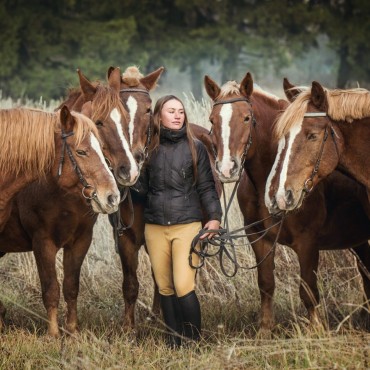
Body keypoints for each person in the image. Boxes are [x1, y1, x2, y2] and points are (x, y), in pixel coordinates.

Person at [135, 95, 222, 347]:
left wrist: (214, 219)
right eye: (171, 111)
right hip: (155, 227)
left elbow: (207, 187)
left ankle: (193, 342)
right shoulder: (149, 149)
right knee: (164, 288)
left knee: (184, 285)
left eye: (181, 111)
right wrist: (129, 169)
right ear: (158, 115)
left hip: (187, 226)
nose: (177, 116)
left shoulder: (196, 147)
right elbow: (139, 191)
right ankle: (173, 342)